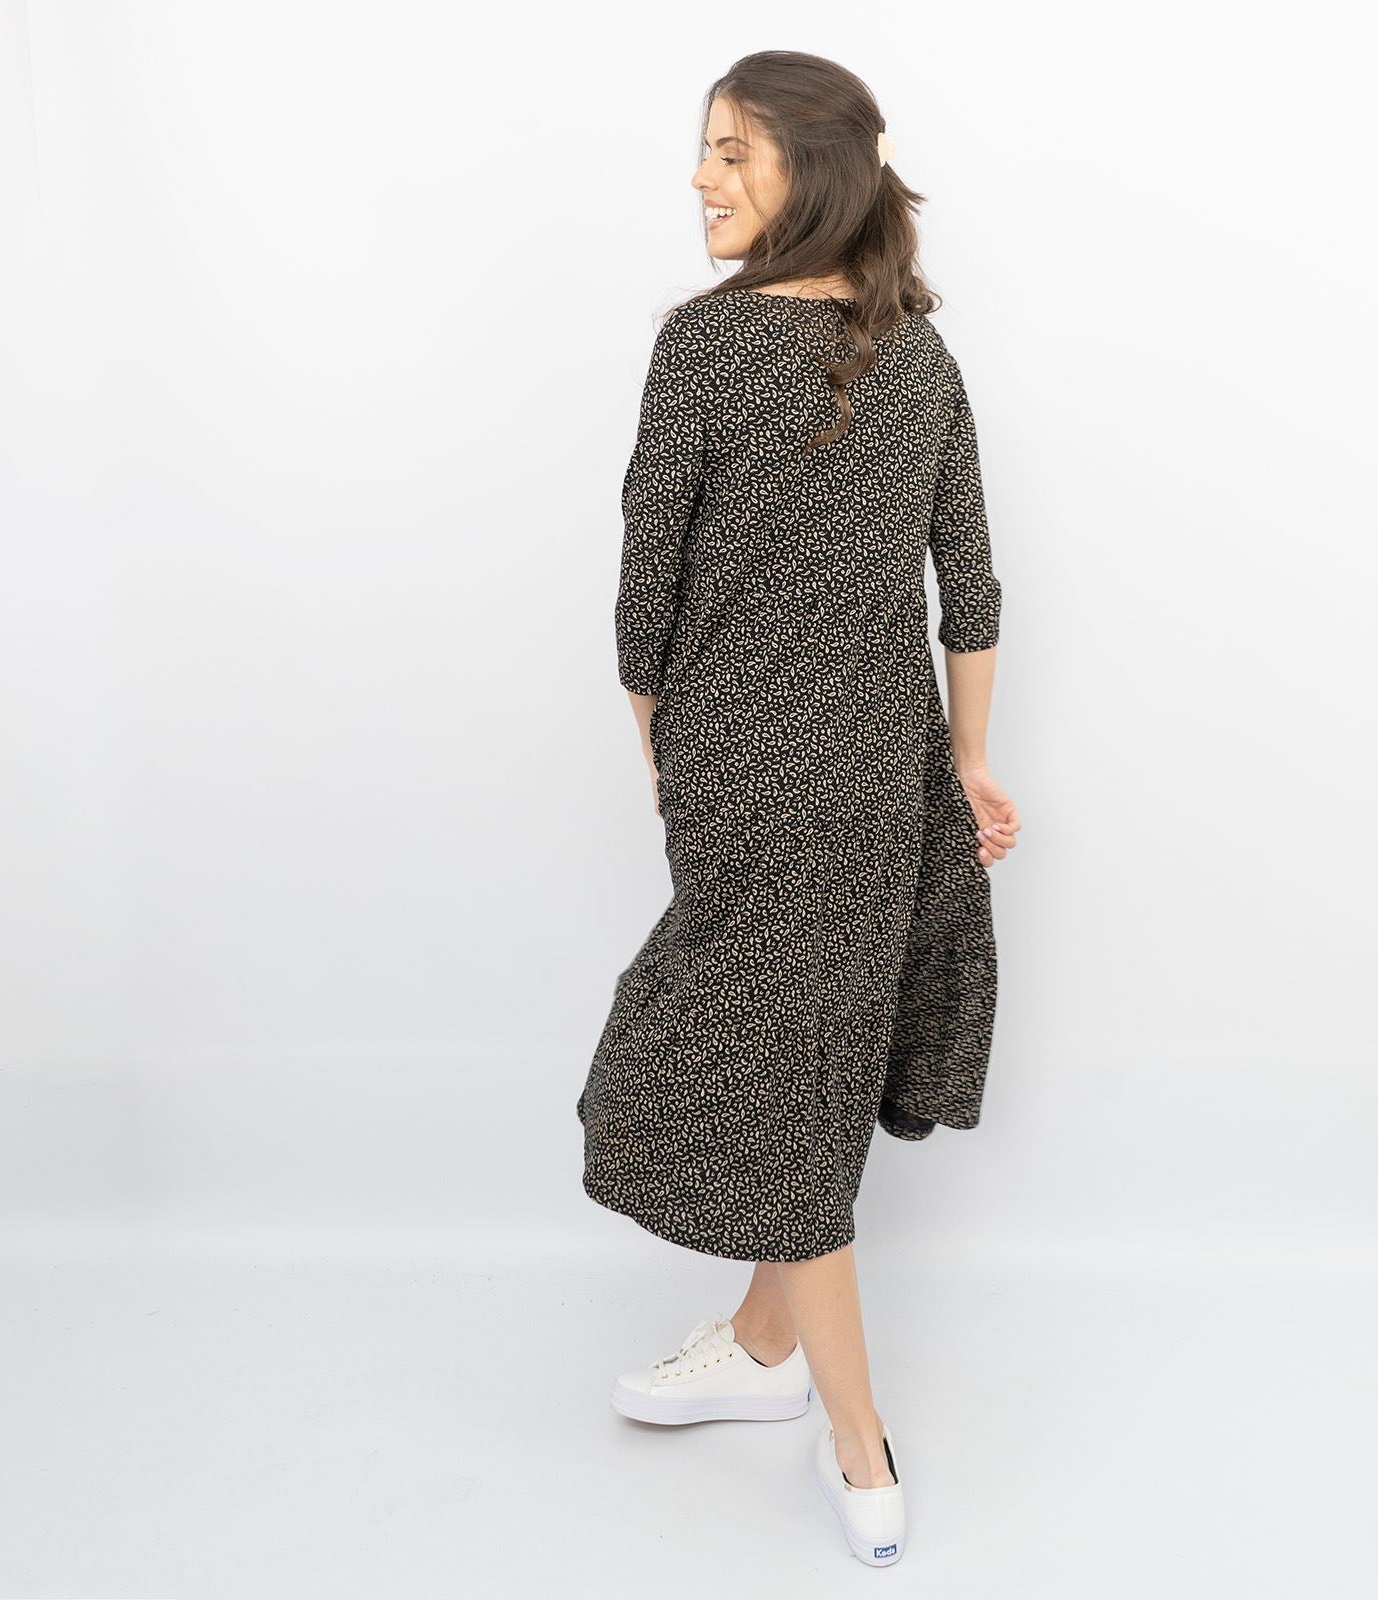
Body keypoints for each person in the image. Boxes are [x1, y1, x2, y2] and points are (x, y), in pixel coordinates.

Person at [574, 51, 1022, 1567]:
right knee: (808, 1062)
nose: (702, 179)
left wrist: (669, 758)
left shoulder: (704, 348)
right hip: (889, 777)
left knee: (777, 1087)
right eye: (705, 151)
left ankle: (858, 1438)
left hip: (751, 782)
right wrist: (966, 765)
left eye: (732, 153)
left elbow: (643, 600)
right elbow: (973, 589)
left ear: (812, 170)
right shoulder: (921, 355)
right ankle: (764, 1346)